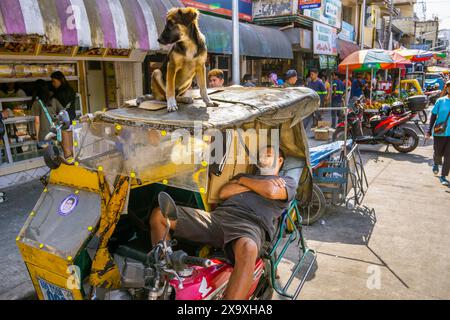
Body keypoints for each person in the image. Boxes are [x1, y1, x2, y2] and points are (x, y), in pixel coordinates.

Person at [149, 146, 297, 300]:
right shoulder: (245, 176)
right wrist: (249, 182)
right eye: (260, 156)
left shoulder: (287, 182)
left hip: (250, 225)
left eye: (268, 155)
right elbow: (224, 192)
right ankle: (165, 279)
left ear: (280, 161)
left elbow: (271, 192)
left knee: (249, 249)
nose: (263, 159)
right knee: (160, 214)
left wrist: (242, 184)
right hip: (218, 218)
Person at [426, 80, 450, 186]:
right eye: (449, 87)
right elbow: (433, 116)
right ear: (447, 88)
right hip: (440, 132)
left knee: (448, 156)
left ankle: (443, 176)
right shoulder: (441, 101)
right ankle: (436, 163)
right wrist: (428, 131)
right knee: (438, 153)